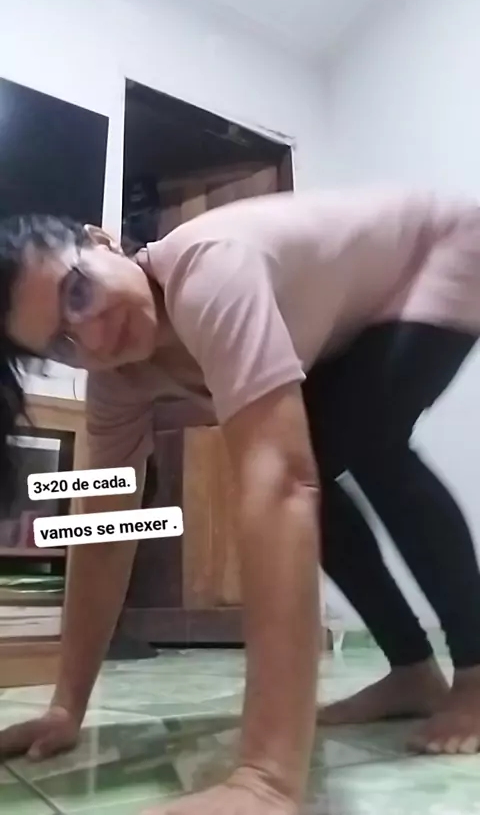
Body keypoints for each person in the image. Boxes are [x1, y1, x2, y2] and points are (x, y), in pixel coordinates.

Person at [0, 189, 479, 814]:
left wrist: (265, 780)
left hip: (442, 248)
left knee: (360, 450)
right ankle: (413, 672)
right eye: (62, 345)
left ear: (103, 242)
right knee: (325, 452)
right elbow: (104, 527)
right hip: (352, 314)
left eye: (78, 293)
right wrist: (66, 707)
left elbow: (281, 485)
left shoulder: (209, 270)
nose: (93, 338)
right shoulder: (116, 384)